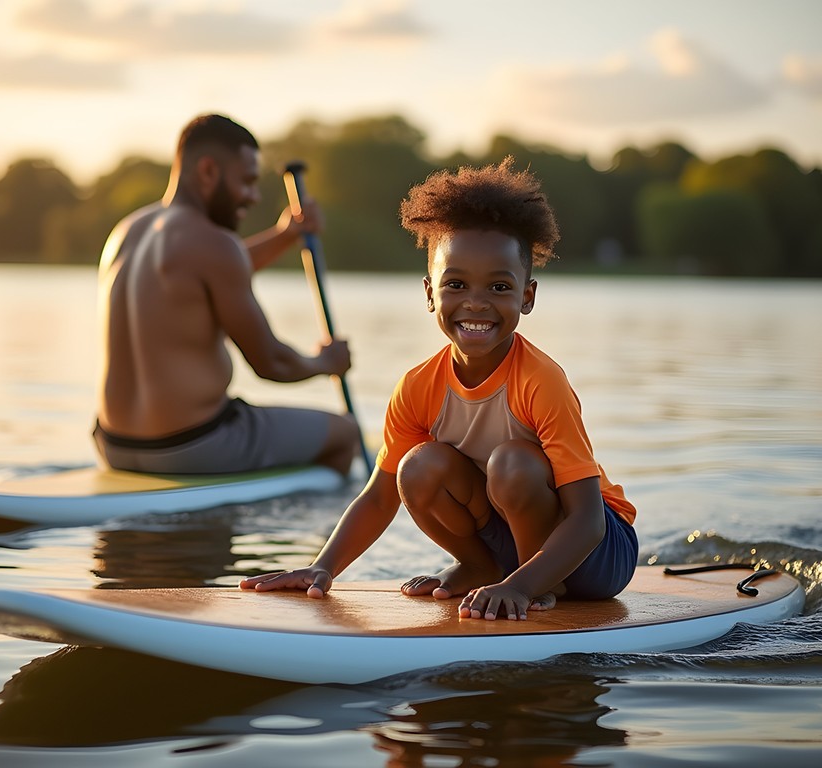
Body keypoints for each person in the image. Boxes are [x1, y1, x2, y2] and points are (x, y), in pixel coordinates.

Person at [241, 158, 638, 620]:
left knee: (512, 461)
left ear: (526, 297)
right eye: (456, 284)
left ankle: (535, 584)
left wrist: (523, 584)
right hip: (510, 543)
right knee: (418, 466)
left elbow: (588, 521)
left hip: (598, 552)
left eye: (498, 286)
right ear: (430, 293)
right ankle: (479, 568)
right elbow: (380, 495)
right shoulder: (417, 387)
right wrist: (322, 567)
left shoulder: (541, 380)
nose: (475, 301)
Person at [94, 114, 360, 477]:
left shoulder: (126, 232)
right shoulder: (215, 245)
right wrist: (324, 363)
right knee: (346, 433)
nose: (252, 196)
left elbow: (205, 276)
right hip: (193, 447)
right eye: (247, 181)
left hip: (113, 445)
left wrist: (285, 235)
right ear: (208, 171)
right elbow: (271, 363)